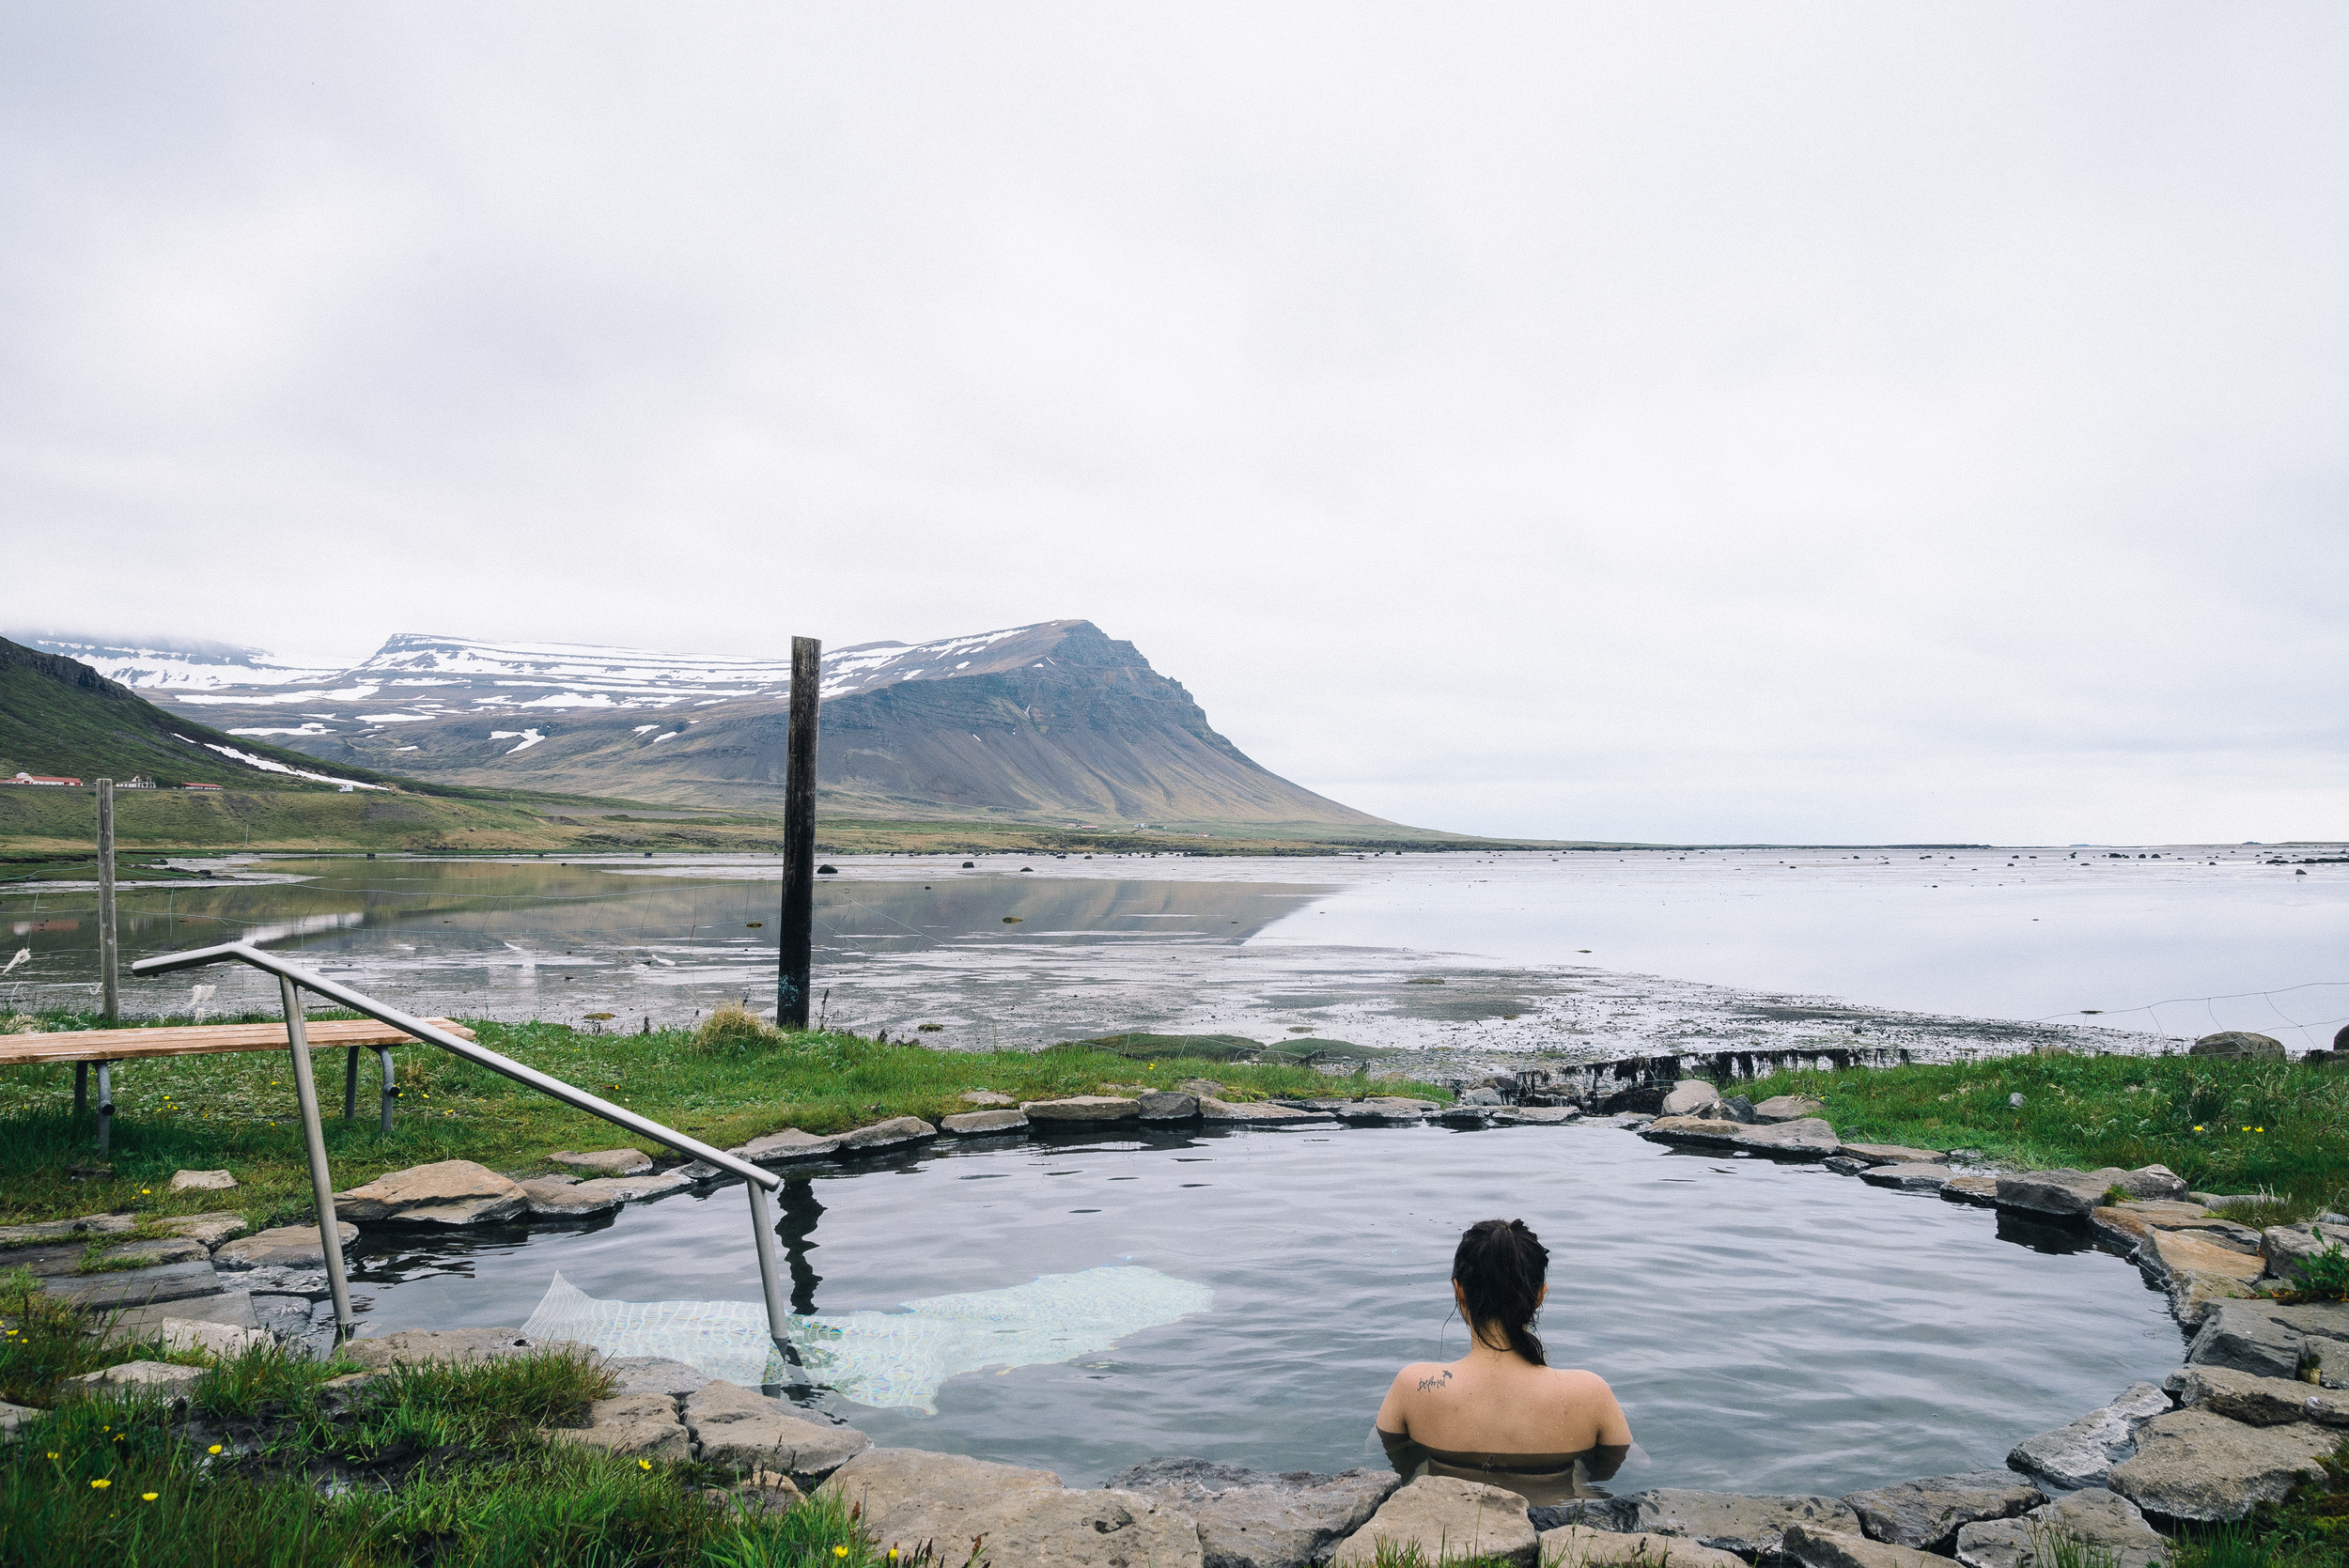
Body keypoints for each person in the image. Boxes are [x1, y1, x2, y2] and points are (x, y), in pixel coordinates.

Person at [1374, 1218, 1632, 1505]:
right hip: (1557, 1522)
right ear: (1539, 1295)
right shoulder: (1590, 1393)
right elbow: (1631, 1466)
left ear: (1459, 1291)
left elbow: (1377, 1459)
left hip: (1447, 1521)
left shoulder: (1413, 1386)